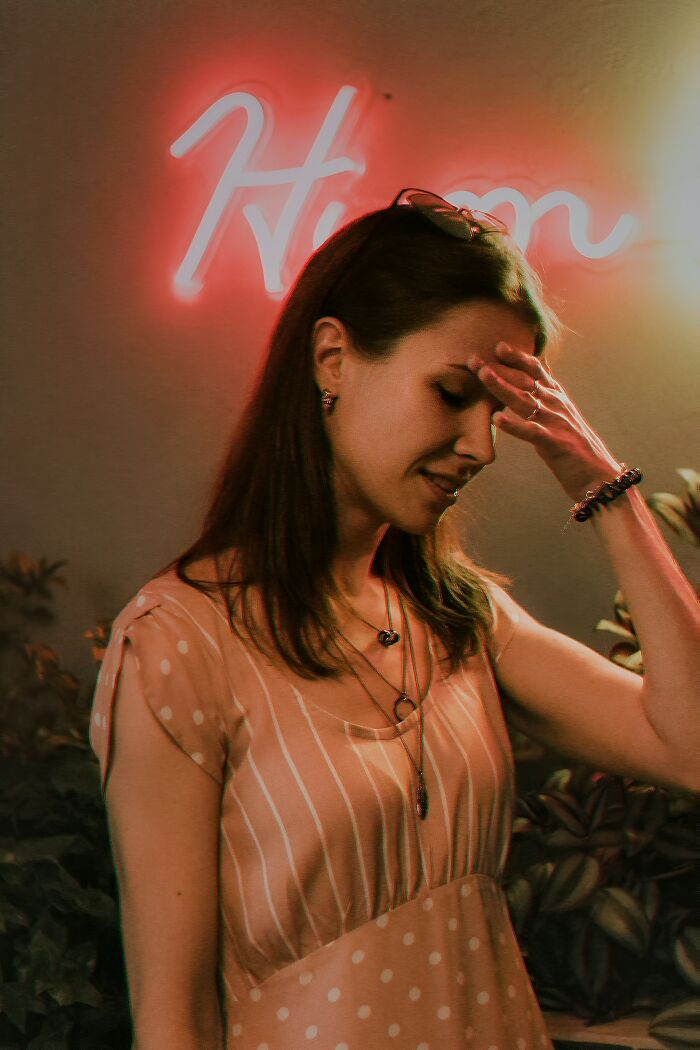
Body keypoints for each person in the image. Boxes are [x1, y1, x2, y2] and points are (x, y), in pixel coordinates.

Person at [89, 189, 700, 1050]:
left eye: (499, 412)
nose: (482, 446)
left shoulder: (462, 620)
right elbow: (173, 1015)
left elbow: (693, 742)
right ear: (332, 358)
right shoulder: (178, 642)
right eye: (453, 393)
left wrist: (600, 485)